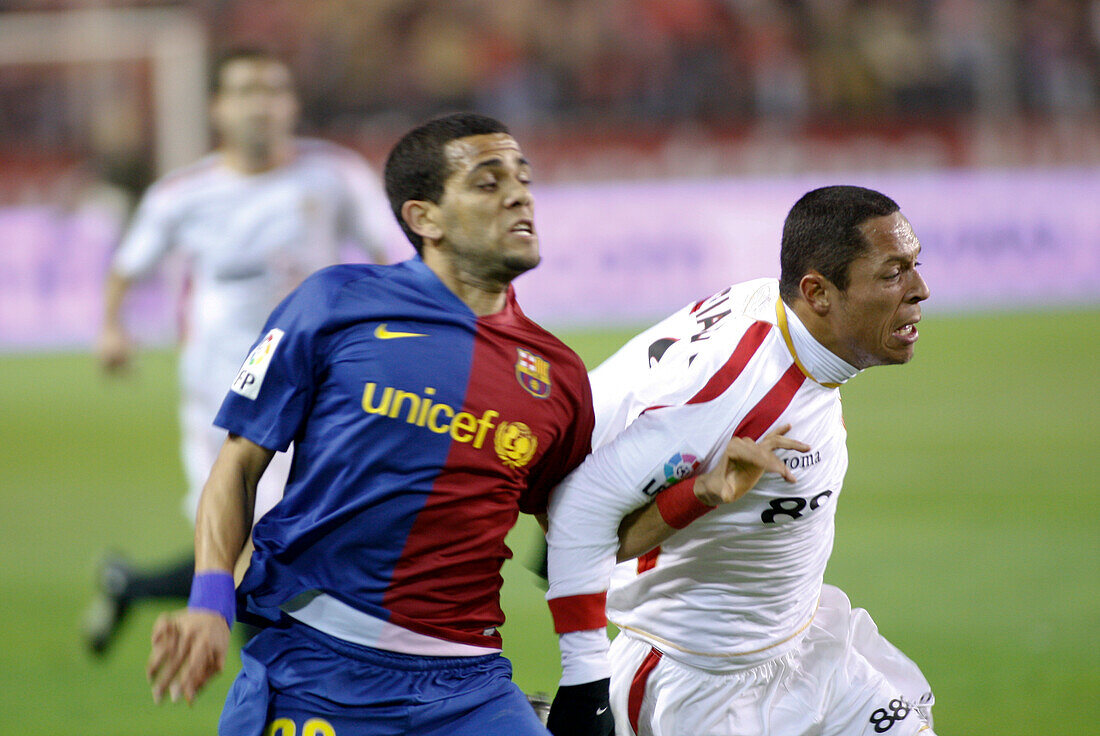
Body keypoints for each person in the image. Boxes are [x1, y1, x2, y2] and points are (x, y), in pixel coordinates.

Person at [145, 113, 596, 736]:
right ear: (424, 218)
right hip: (315, 669)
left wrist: (694, 493)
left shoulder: (559, 376)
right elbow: (239, 464)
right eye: (488, 182)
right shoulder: (334, 303)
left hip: (469, 686)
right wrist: (210, 603)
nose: (520, 194)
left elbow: (576, 534)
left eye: (522, 177)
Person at [544, 185, 936, 736]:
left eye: (915, 265)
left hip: (809, 644)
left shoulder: (781, 322)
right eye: (893, 273)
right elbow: (573, 526)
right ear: (818, 292)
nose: (920, 290)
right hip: (703, 684)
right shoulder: (729, 394)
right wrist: (697, 493)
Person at [82, 48, 395, 654]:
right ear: (219, 109)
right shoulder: (183, 194)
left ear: (292, 105)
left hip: (324, 387)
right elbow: (126, 268)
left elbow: (388, 254)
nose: (263, 103)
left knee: (305, 535)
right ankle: (277, 683)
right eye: (247, 90)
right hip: (224, 396)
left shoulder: (335, 175)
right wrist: (111, 328)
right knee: (252, 539)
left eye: (274, 89)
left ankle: (134, 586)